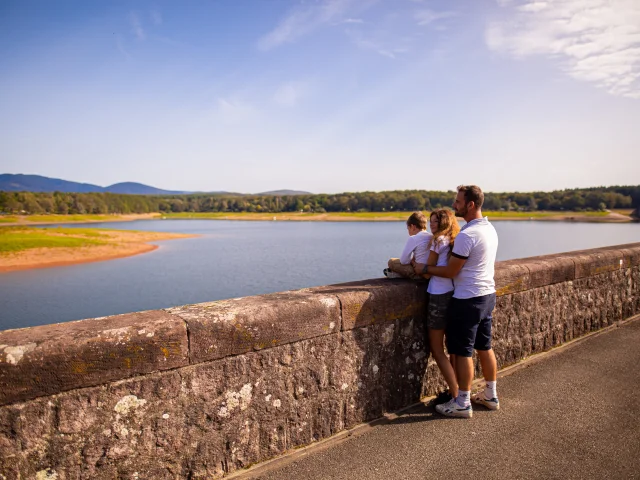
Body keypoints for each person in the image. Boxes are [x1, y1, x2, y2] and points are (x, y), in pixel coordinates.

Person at [414, 185, 499, 418]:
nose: (454, 205)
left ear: (470, 204)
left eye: (458, 202)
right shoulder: (489, 229)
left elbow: (451, 271)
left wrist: (424, 268)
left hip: (468, 299)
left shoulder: (467, 235)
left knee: (462, 352)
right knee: (485, 347)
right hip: (487, 295)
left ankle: (462, 403)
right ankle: (491, 395)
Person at [420, 209, 460, 405]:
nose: (431, 225)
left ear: (443, 222)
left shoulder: (437, 241)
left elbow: (426, 272)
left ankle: (457, 395)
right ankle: (459, 391)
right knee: (452, 348)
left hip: (437, 296)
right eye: (430, 221)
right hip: (452, 294)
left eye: (435, 222)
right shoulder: (454, 240)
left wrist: (414, 264)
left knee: (437, 349)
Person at [384, 211, 432, 279]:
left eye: (408, 228)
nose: (408, 231)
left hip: (419, 270)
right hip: (430, 271)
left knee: (391, 261)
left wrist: (412, 262)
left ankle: (413, 276)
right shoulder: (431, 236)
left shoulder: (414, 238)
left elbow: (403, 261)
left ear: (413, 227)